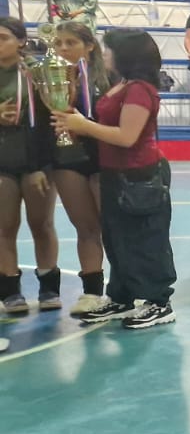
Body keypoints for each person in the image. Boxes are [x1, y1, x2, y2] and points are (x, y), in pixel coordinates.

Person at [51, 29, 176, 330]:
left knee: (145, 240)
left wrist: (83, 125)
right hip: (114, 174)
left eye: (110, 50)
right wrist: (80, 124)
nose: (105, 55)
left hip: (139, 175)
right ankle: (122, 295)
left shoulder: (140, 90)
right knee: (117, 239)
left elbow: (127, 136)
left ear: (126, 55)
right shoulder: (122, 85)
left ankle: (159, 302)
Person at [48, 22, 111, 314]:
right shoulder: (46, 78)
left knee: (113, 227)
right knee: (85, 227)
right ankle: (91, 293)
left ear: (89, 46)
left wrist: (87, 125)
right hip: (67, 159)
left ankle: (126, 287)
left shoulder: (108, 78)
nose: (63, 48)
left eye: (70, 42)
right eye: (59, 43)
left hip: (104, 158)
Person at [0, 17, 61, 313]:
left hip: (37, 162)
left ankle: (49, 287)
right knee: (4, 227)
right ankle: (10, 291)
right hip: (2, 164)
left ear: (21, 41)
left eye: (3, 38)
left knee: (42, 224)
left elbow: (49, 121)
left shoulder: (38, 73)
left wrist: (39, 163)